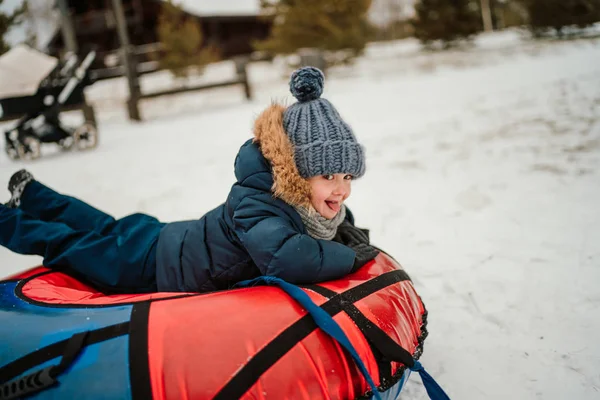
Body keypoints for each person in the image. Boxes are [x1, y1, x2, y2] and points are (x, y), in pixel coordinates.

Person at [0, 67, 378, 294]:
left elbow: (331, 228)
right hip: (151, 266)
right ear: (296, 173)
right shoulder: (259, 201)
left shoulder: (305, 204)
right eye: (328, 176)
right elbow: (285, 258)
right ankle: (10, 218)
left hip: (164, 239)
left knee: (102, 226)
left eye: (347, 176)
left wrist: (350, 234)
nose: (341, 188)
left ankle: (33, 193)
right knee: (73, 243)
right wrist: (350, 257)